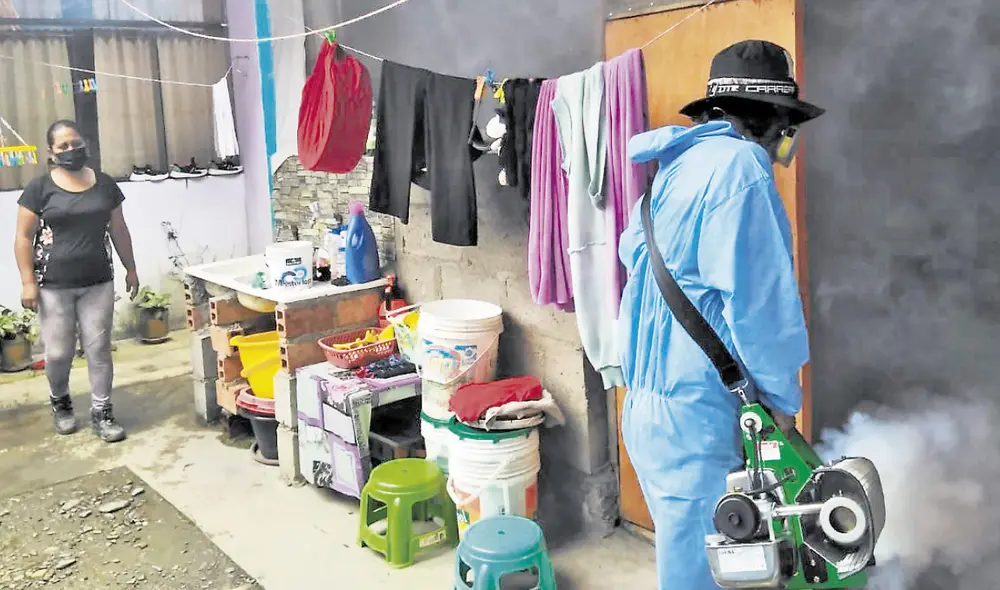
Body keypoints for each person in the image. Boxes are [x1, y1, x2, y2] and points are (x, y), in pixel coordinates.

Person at [617, 40, 825, 590]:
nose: (786, 142)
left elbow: (631, 256)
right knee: (714, 573)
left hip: (645, 409)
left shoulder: (673, 168)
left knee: (694, 558)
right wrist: (782, 405)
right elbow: (761, 308)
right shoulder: (742, 170)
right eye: (787, 127)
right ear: (773, 119)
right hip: (696, 418)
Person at [14, 120, 139, 443]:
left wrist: (131, 268)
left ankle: (102, 411)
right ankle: (61, 401)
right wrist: (28, 281)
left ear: (86, 144)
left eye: (76, 143)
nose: (72, 150)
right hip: (53, 284)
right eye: (63, 146)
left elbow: (119, 230)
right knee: (57, 353)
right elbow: (23, 237)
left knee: (98, 350)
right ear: (51, 153)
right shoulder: (39, 189)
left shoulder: (105, 185)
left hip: (98, 280)